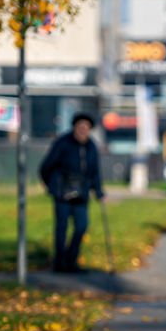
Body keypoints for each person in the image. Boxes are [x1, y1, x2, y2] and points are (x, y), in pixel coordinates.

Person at [39, 113, 105, 273]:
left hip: (81, 193)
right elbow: (46, 167)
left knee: (81, 227)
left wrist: (98, 191)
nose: (83, 130)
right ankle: (60, 262)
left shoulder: (91, 147)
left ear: (89, 129)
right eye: (80, 126)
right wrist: (52, 185)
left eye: (86, 127)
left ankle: (71, 259)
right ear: (75, 127)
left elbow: (94, 171)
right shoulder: (62, 143)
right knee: (61, 228)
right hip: (62, 192)